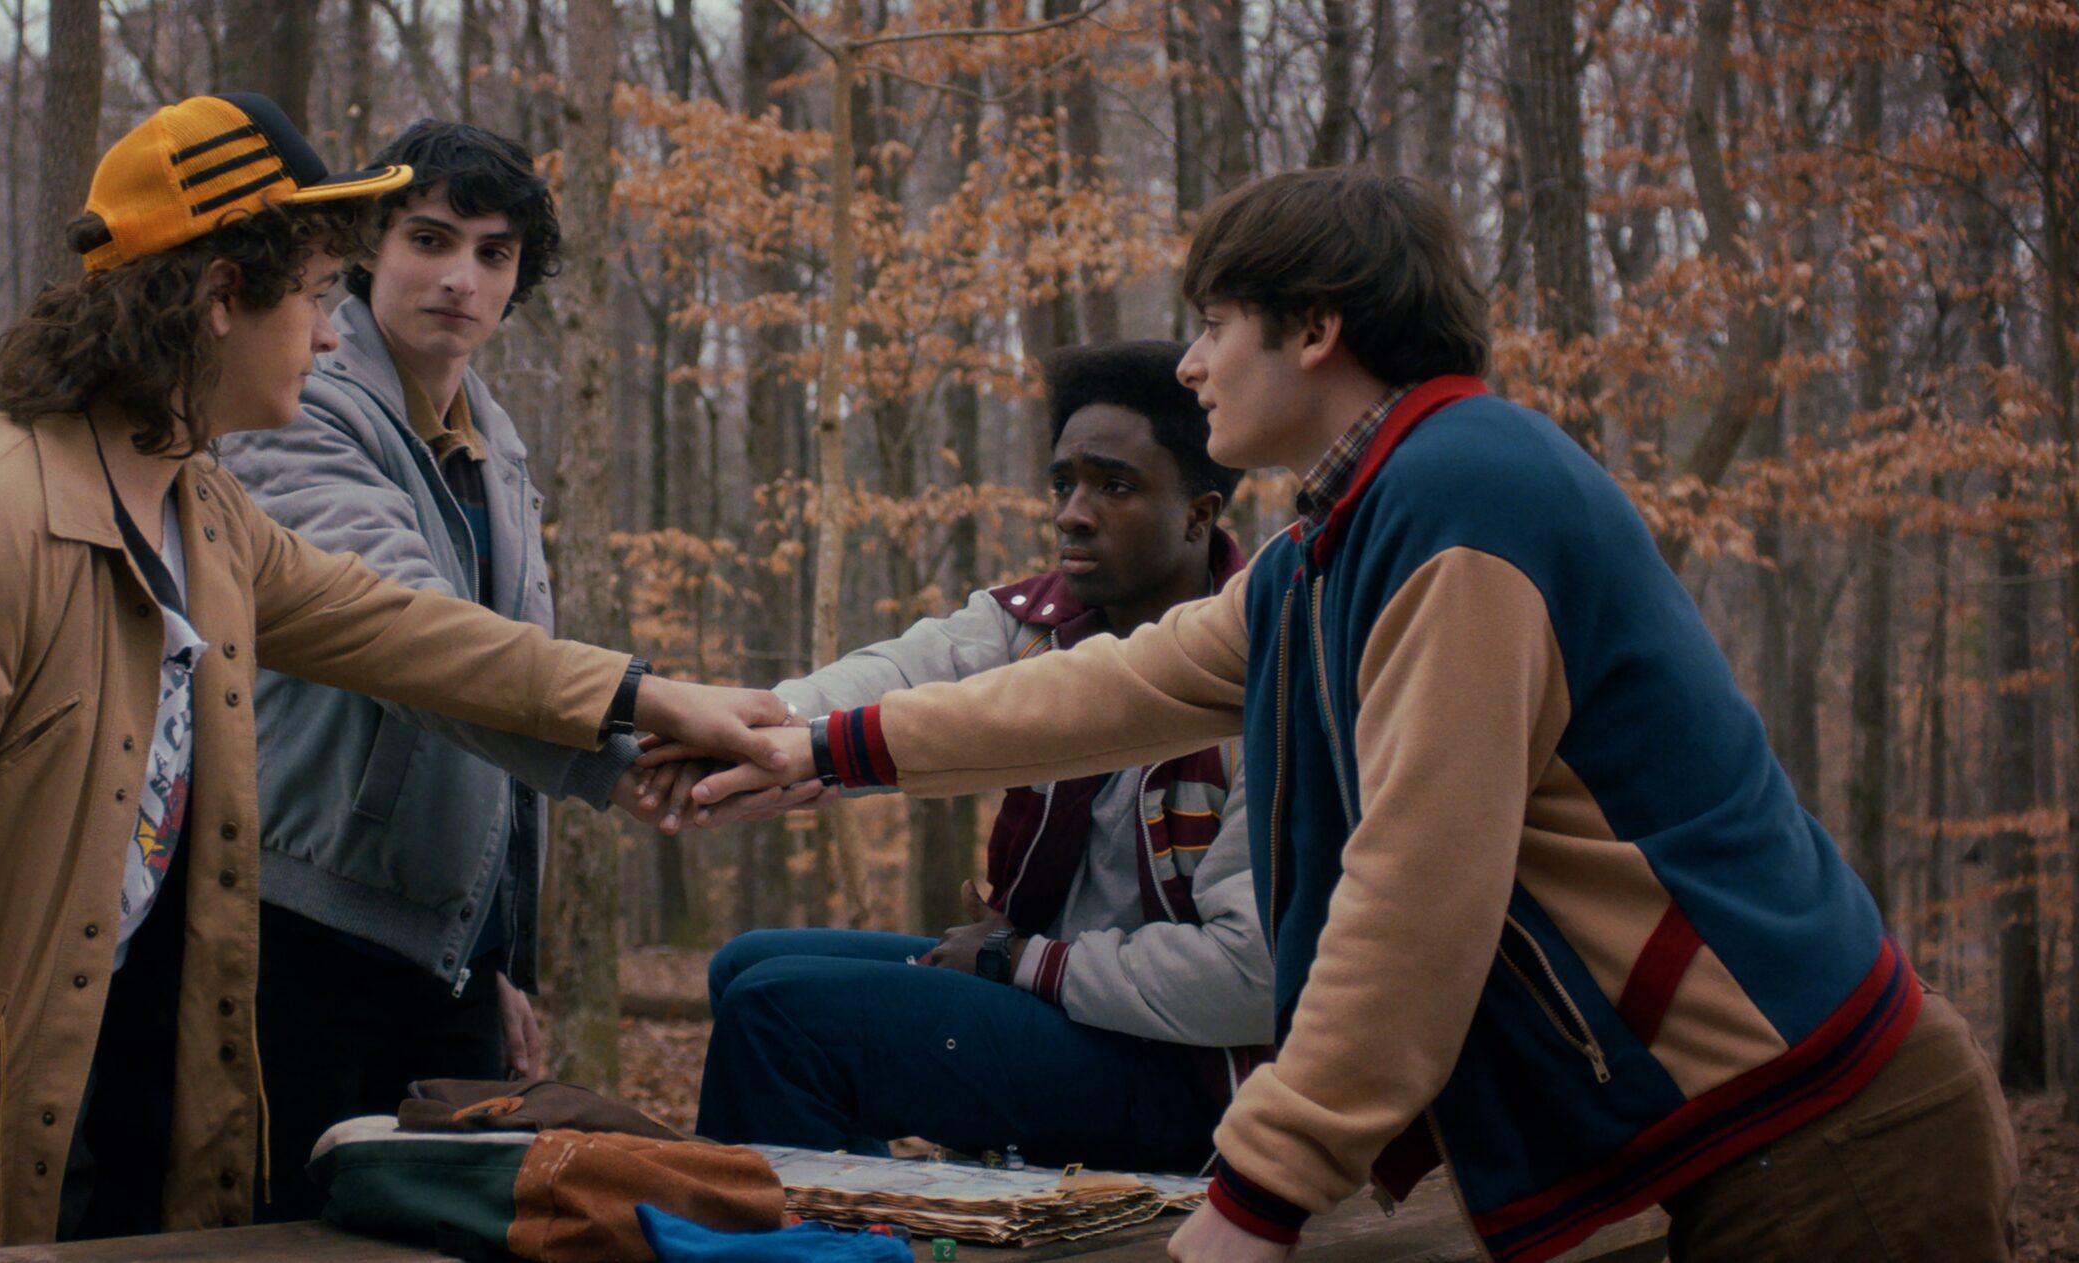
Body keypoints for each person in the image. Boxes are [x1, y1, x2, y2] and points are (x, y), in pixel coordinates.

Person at [683, 169, 2017, 1262]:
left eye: (1215, 323)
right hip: (1739, 1136)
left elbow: (1416, 885)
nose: (1192, 364)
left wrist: (1264, 1185)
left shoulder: (1463, 501)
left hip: (1829, 1134)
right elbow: (1119, 685)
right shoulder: (1341, 540)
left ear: (1313, 328)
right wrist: (824, 746)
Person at [0, 93, 784, 1263]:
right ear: (217, 301)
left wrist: (645, 700)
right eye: (311, 295)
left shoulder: (199, 511)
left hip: (41, 1087)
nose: (331, 335)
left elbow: (402, 630)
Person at [685, 342, 1273, 1174]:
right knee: (746, 964)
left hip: (1188, 1074)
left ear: (1198, 514)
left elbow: (1253, 979)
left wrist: (1018, 959)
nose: (1072, 514)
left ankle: (806, 1224)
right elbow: (892, 677)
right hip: (1059, 1001)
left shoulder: (1262, 677)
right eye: (1062, 484)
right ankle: (862, 1214)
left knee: (779, 1014)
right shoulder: (1035, 626)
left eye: (1114, 486)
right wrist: (741, 732)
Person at [217, 120, 654, 1220]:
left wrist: (493, 946)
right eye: (430, 239)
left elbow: (497, 727)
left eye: (494, 253)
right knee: (287, 1233)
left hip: (443, 951)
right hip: (297, 923)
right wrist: (639, 742)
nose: (461, 278)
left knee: (449, 1237)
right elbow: (423, 642)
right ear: (369, 246)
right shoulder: (295, 402)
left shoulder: (495, 444)